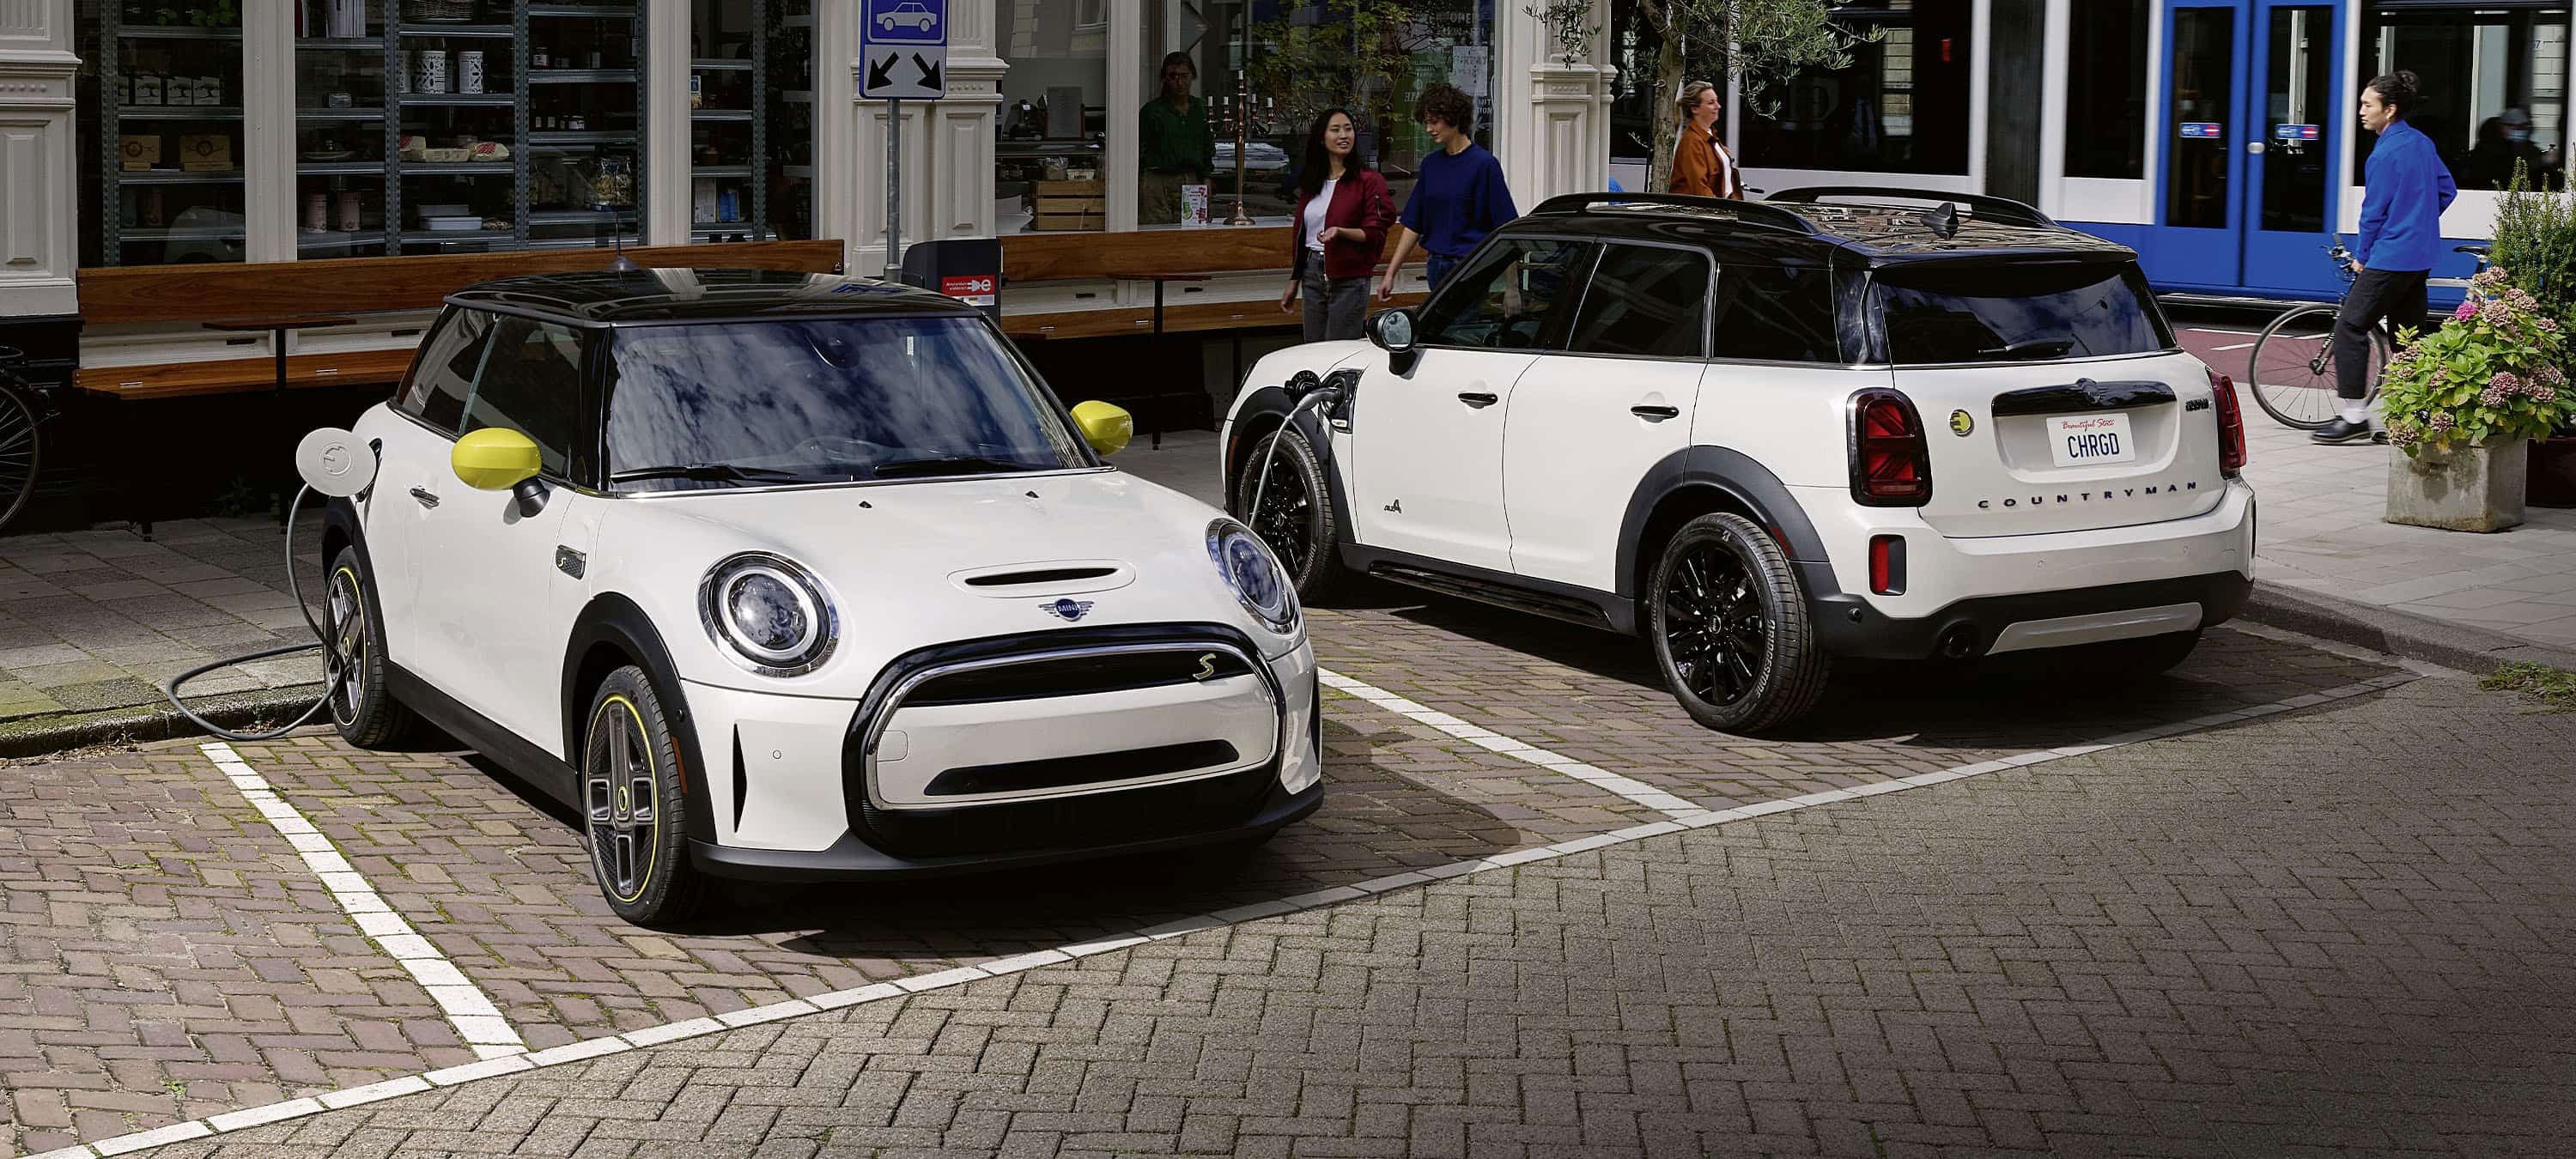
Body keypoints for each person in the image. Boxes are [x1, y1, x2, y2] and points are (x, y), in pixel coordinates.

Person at [2324, 70, 2458, 446]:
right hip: (2420, 254)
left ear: (2391, 109)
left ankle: (2353, 416)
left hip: (2390, 255)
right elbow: (2447, 190)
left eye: (2368, 105)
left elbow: (2373, 214)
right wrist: (2419, 219)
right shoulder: (2421, 143)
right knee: (2408, 336)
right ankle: (2417, 416)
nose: (2362, 111)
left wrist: (2362, 256)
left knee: (2350, 325)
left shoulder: (2383, 153)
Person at [1376, 82, 1517, 300]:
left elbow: (1506, 228)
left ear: (1454, 117)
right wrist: (1390, 274)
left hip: (1470, 267)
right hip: (1435, 266)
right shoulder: (1431, 165)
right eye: (1426, 123)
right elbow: (1413, 223)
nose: (1428, 129)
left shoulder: (1484, 165)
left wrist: (1512, 289)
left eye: (1434, 122)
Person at [1279, 107, 1393, 343]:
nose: (1344, 135)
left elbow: (1375, 232)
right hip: (1312, 274)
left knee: (1337, 352)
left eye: (1348, 129)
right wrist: (1294, 280)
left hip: (1349, 277)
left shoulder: (1369, 181)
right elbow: (1301, 235)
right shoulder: (1313, 181)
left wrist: (1340, 232)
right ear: (1322, 138)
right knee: (1313, 349)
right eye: (1336, 130)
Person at [1138, 52, 1214, 226]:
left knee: (1192, 230)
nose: (1179, 82)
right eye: (1173, 76)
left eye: (1184, 76)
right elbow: (1140, 148)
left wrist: (1207, 176)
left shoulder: (1201, 109)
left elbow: (1207, 145)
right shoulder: (1152, 111)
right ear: (1165, 79)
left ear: (1192, 76)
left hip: (1191, 177)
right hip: (1157, 178)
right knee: (1155, 231)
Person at [1667, 81, 1742, 198]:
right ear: (1694, 109)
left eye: (1717, 101)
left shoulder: (1711, 136)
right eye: (1711, 103)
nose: (1718, 106)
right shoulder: (1692, 141)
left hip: (1718, 210)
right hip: (1700, 213)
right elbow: (1700, 189)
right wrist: (1721, 212)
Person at [2469, 107, 2549, 191]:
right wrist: (2541, 161)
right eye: (2512, 126)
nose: (2518, 130)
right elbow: (2506, 172)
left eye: (2523, 126)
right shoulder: (2487, 150)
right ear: (2501, 127)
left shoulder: (2530, 149)